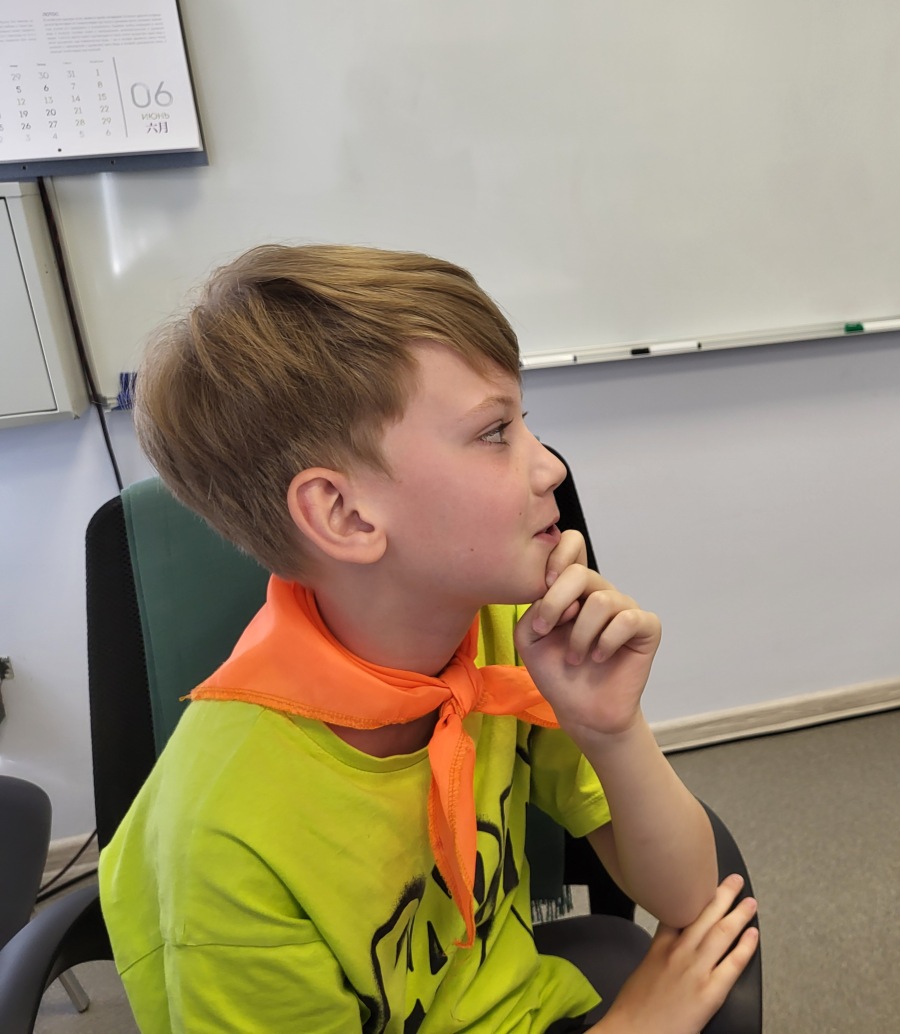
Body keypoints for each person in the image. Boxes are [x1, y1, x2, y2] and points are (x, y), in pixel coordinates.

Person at [98, 243, 759, 1033]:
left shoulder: (501, 629)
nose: (549, 468)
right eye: (494, 432)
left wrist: (613, 731)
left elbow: (688, 894)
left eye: (523, 421)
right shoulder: (224, 843)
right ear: (345, 515)